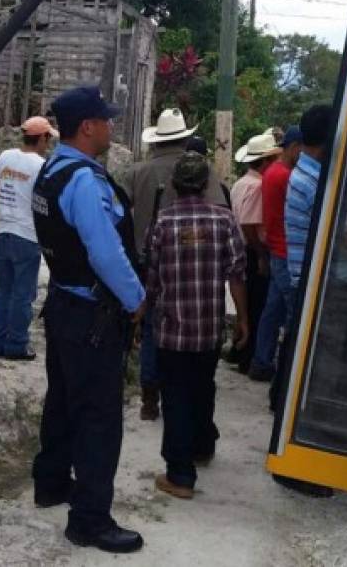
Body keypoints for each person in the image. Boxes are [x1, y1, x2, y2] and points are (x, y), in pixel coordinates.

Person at [31, 86, 146, 554]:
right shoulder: (82, 181)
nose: (112, 128)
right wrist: (136, 299)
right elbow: (105, 252)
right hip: (93, 314)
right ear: (88, 127)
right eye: (107, 121)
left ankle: (52, 482)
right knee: (98, 417)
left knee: (61, 400)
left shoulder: (52, 171)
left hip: (63, 303)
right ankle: (90, 520)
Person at [147, 152, 248, 499]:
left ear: (174, 185)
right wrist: (244, 320)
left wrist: (141, 315)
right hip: (209, 328)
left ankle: (180, 475)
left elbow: (152, 279)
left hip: (172, 329)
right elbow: (237, 275)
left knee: (174, 396)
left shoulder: (162, 222)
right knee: (203, 387)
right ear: (206, 185)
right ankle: (203, 447)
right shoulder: (224, 220)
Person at [128, 109, 227, 421]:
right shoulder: (202, 172)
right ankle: (180, 392)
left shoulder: (136, 172)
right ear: (184, 138)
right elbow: (221, 210)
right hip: (191, 262)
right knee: (185, 325)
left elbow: (119, 213)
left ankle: (148, 395)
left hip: (145, 259)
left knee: (151, 326)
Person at [272, 104, 334, 497]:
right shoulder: (311, 182)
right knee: (303, 372)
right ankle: (292, 459)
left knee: (296, 363)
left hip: (300, 278)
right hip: (305, 282)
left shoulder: (308, 175)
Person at [0, 116, 57, 360]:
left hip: (3, 232)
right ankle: (16, 344)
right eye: (48, 138)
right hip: (27, 235)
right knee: (23, 294)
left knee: (4, 290)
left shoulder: (6, 156)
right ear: (42, 138)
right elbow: (44, 203)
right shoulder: (41, 166)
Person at [249, 126, 303, 382]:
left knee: (272, 311)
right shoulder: (286, 176)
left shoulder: (272, 172)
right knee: (292, 313)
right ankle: (283, 371)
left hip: (275, 247)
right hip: (284, 249)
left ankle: (261, 361)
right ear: (294, 148)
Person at [228, 133, 282, 374]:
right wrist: (261, 255)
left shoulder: (241, 183)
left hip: (241, 247)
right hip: (252, 248)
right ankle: (248, 357)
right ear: (264, 161)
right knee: (256, 305)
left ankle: (240, 350)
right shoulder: (258, 186)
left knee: (247, 303)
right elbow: (250, 224)